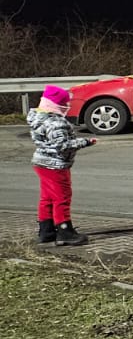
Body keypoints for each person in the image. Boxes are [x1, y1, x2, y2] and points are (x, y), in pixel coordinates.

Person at [29, 84, 95, 247]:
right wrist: (85, 142)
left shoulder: (37, 118)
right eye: (66, 104)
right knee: (62, 198)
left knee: (47, 198)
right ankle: (65, 231)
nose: (68, 107)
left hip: (41, 162)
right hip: (56, 165)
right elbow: (62, 145)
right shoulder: (56, 123)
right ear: (58, 105)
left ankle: (46, 231)